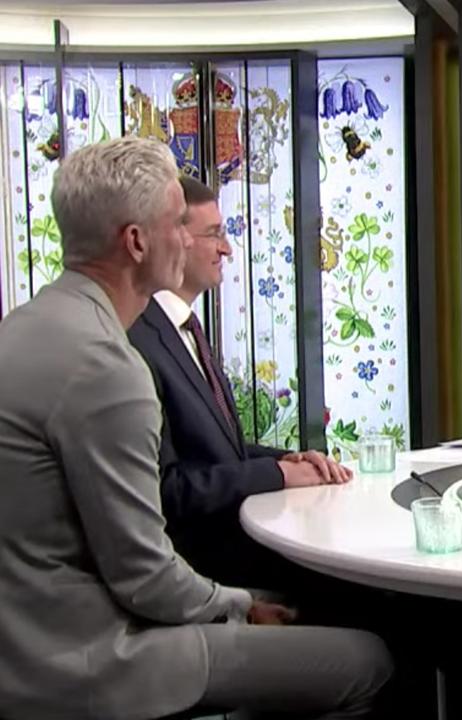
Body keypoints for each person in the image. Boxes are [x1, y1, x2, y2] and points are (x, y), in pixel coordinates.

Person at [0, 137, 392, 719]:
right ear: (136, 242)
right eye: (177, 223)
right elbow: (144, 578)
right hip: (92, 658)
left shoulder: (23, 325)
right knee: (368, 660)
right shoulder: (107, 365)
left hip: (23, 645)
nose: (189, 239)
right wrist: (242, 605)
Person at [129, 175, 351, 590]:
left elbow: (218, 452)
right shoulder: (139, 341)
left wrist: (290, 460)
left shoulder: (185, 329)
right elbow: (167, 488)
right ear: (174, 238)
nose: (227, 249)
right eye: (214, 234)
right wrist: (275, 475)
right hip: (208, 568)